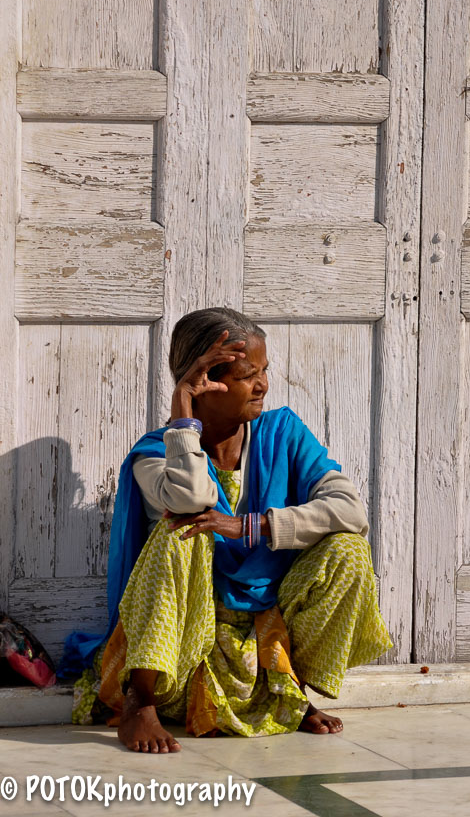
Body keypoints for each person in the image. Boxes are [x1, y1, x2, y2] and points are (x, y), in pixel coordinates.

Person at [61, 306, 392, 752]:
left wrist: (253, 526)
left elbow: (351, 510)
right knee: (182, 531)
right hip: (187, 643)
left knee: (348, 550)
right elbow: (192, 500)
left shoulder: (283, 434)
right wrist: (183, 418)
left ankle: (292, 692)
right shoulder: (155, 454)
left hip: (262, 625)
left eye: (264, 371)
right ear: (209, 382)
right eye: (248, 375)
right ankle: (140, 701)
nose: (263, 386)